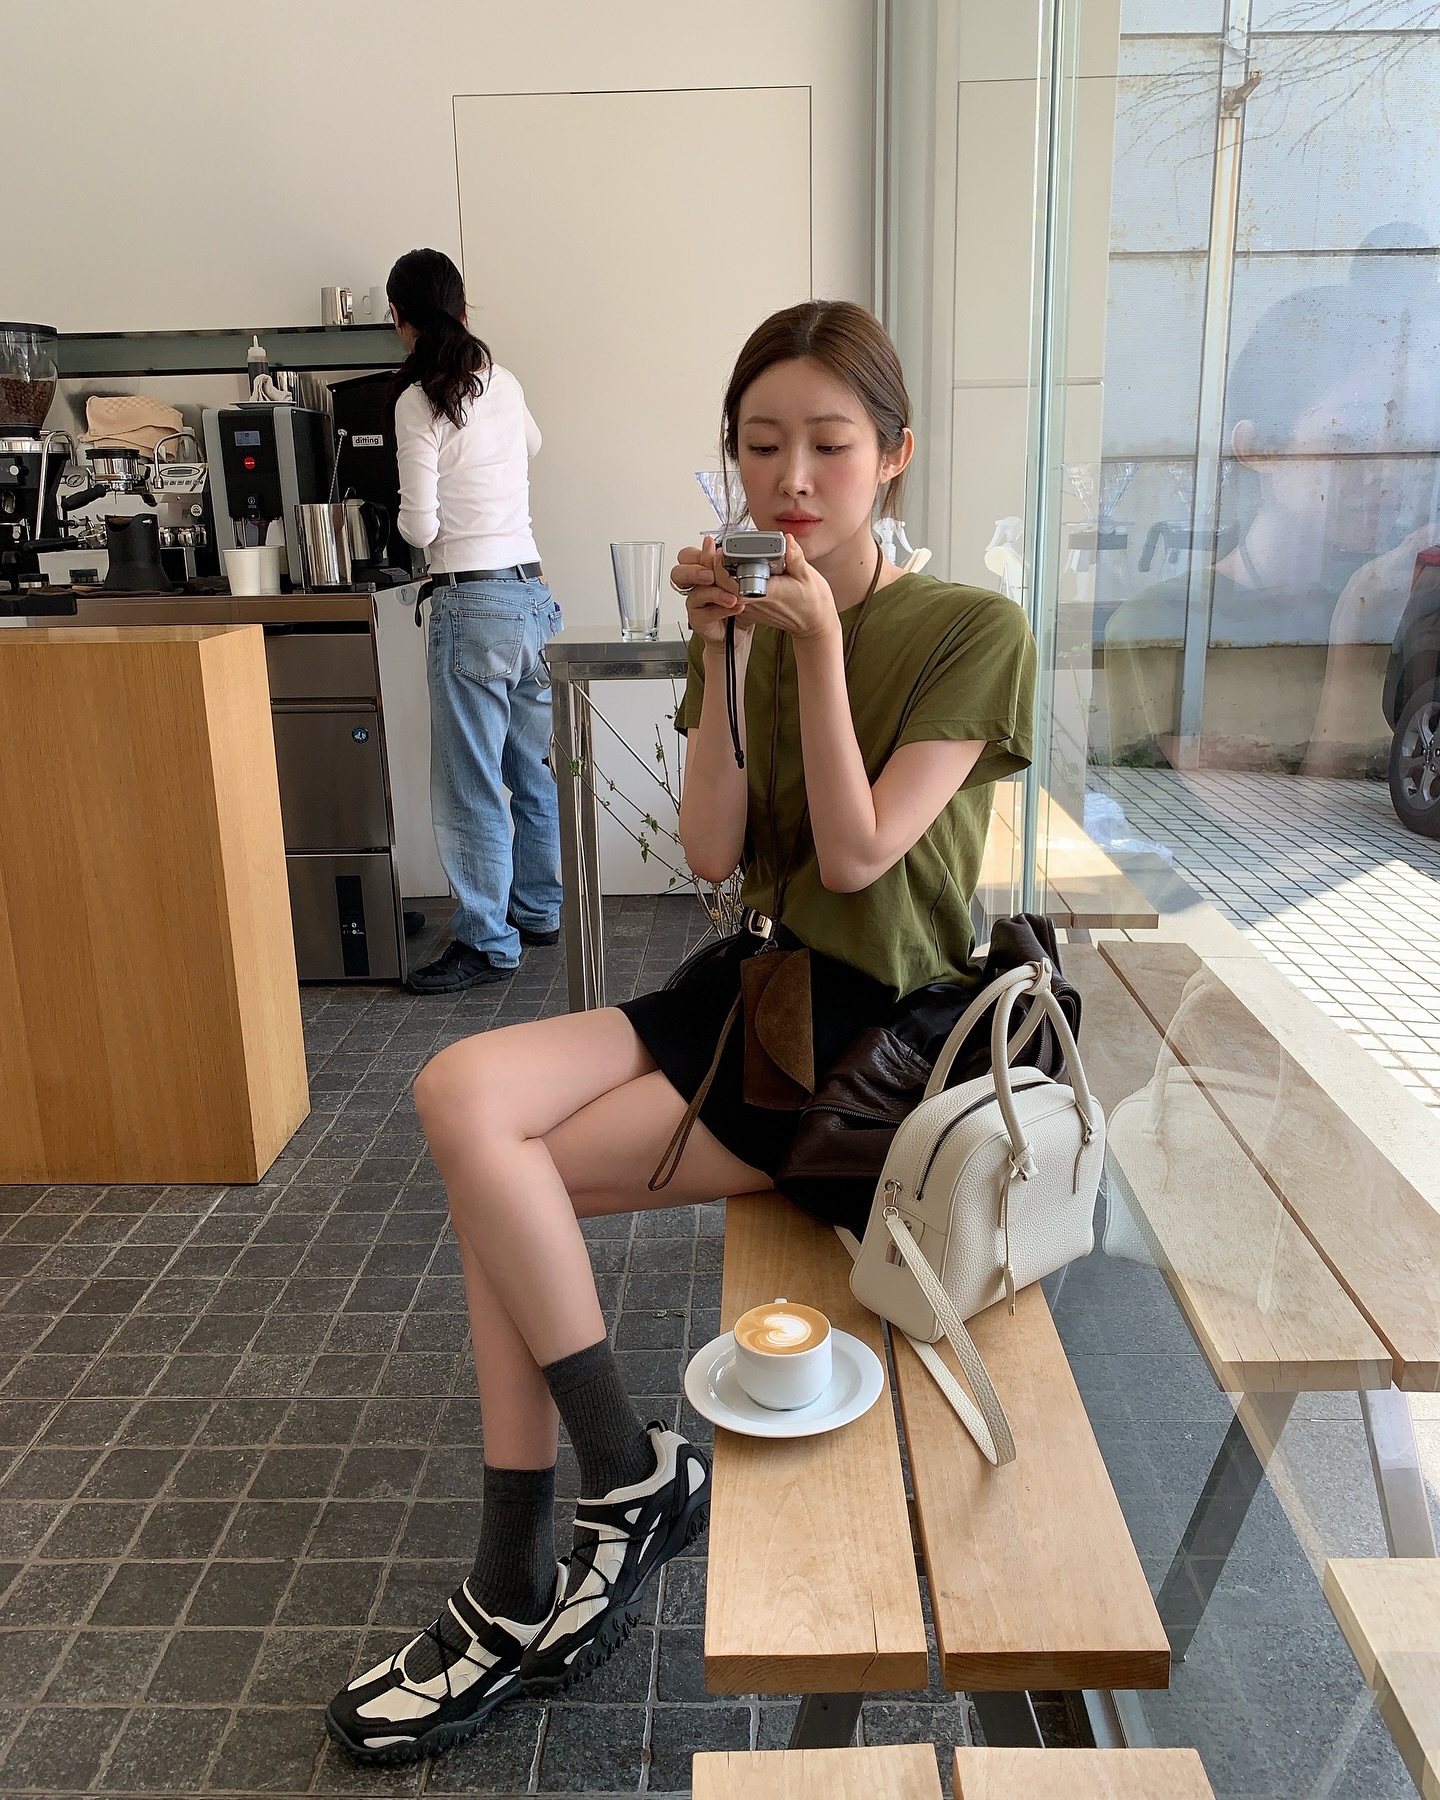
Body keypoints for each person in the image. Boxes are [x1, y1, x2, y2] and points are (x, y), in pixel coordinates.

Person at [325, 299, 1036, 1764]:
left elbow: (859, 858)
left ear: (895, 455)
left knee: (496, 1178)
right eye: (761, 445)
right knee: (464, 1099)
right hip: (752, 987)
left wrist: (817, 649)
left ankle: (518, 1569)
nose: (794, 478)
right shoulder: (760, 616)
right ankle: (626, 1470)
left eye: (830, 445)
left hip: (863, 1048)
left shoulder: (974, 629)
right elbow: (714, 850)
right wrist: (718, 653)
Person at [387, 248, 564, 993]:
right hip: (530, 596)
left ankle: (488, 944)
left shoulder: (417, 402)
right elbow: (533, 445)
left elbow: (421, 528)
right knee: (531, 769)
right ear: (463, 310)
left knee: (470, 786)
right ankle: (540, 911)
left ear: (400, 320)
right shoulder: (505, 381)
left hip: (471, 604)